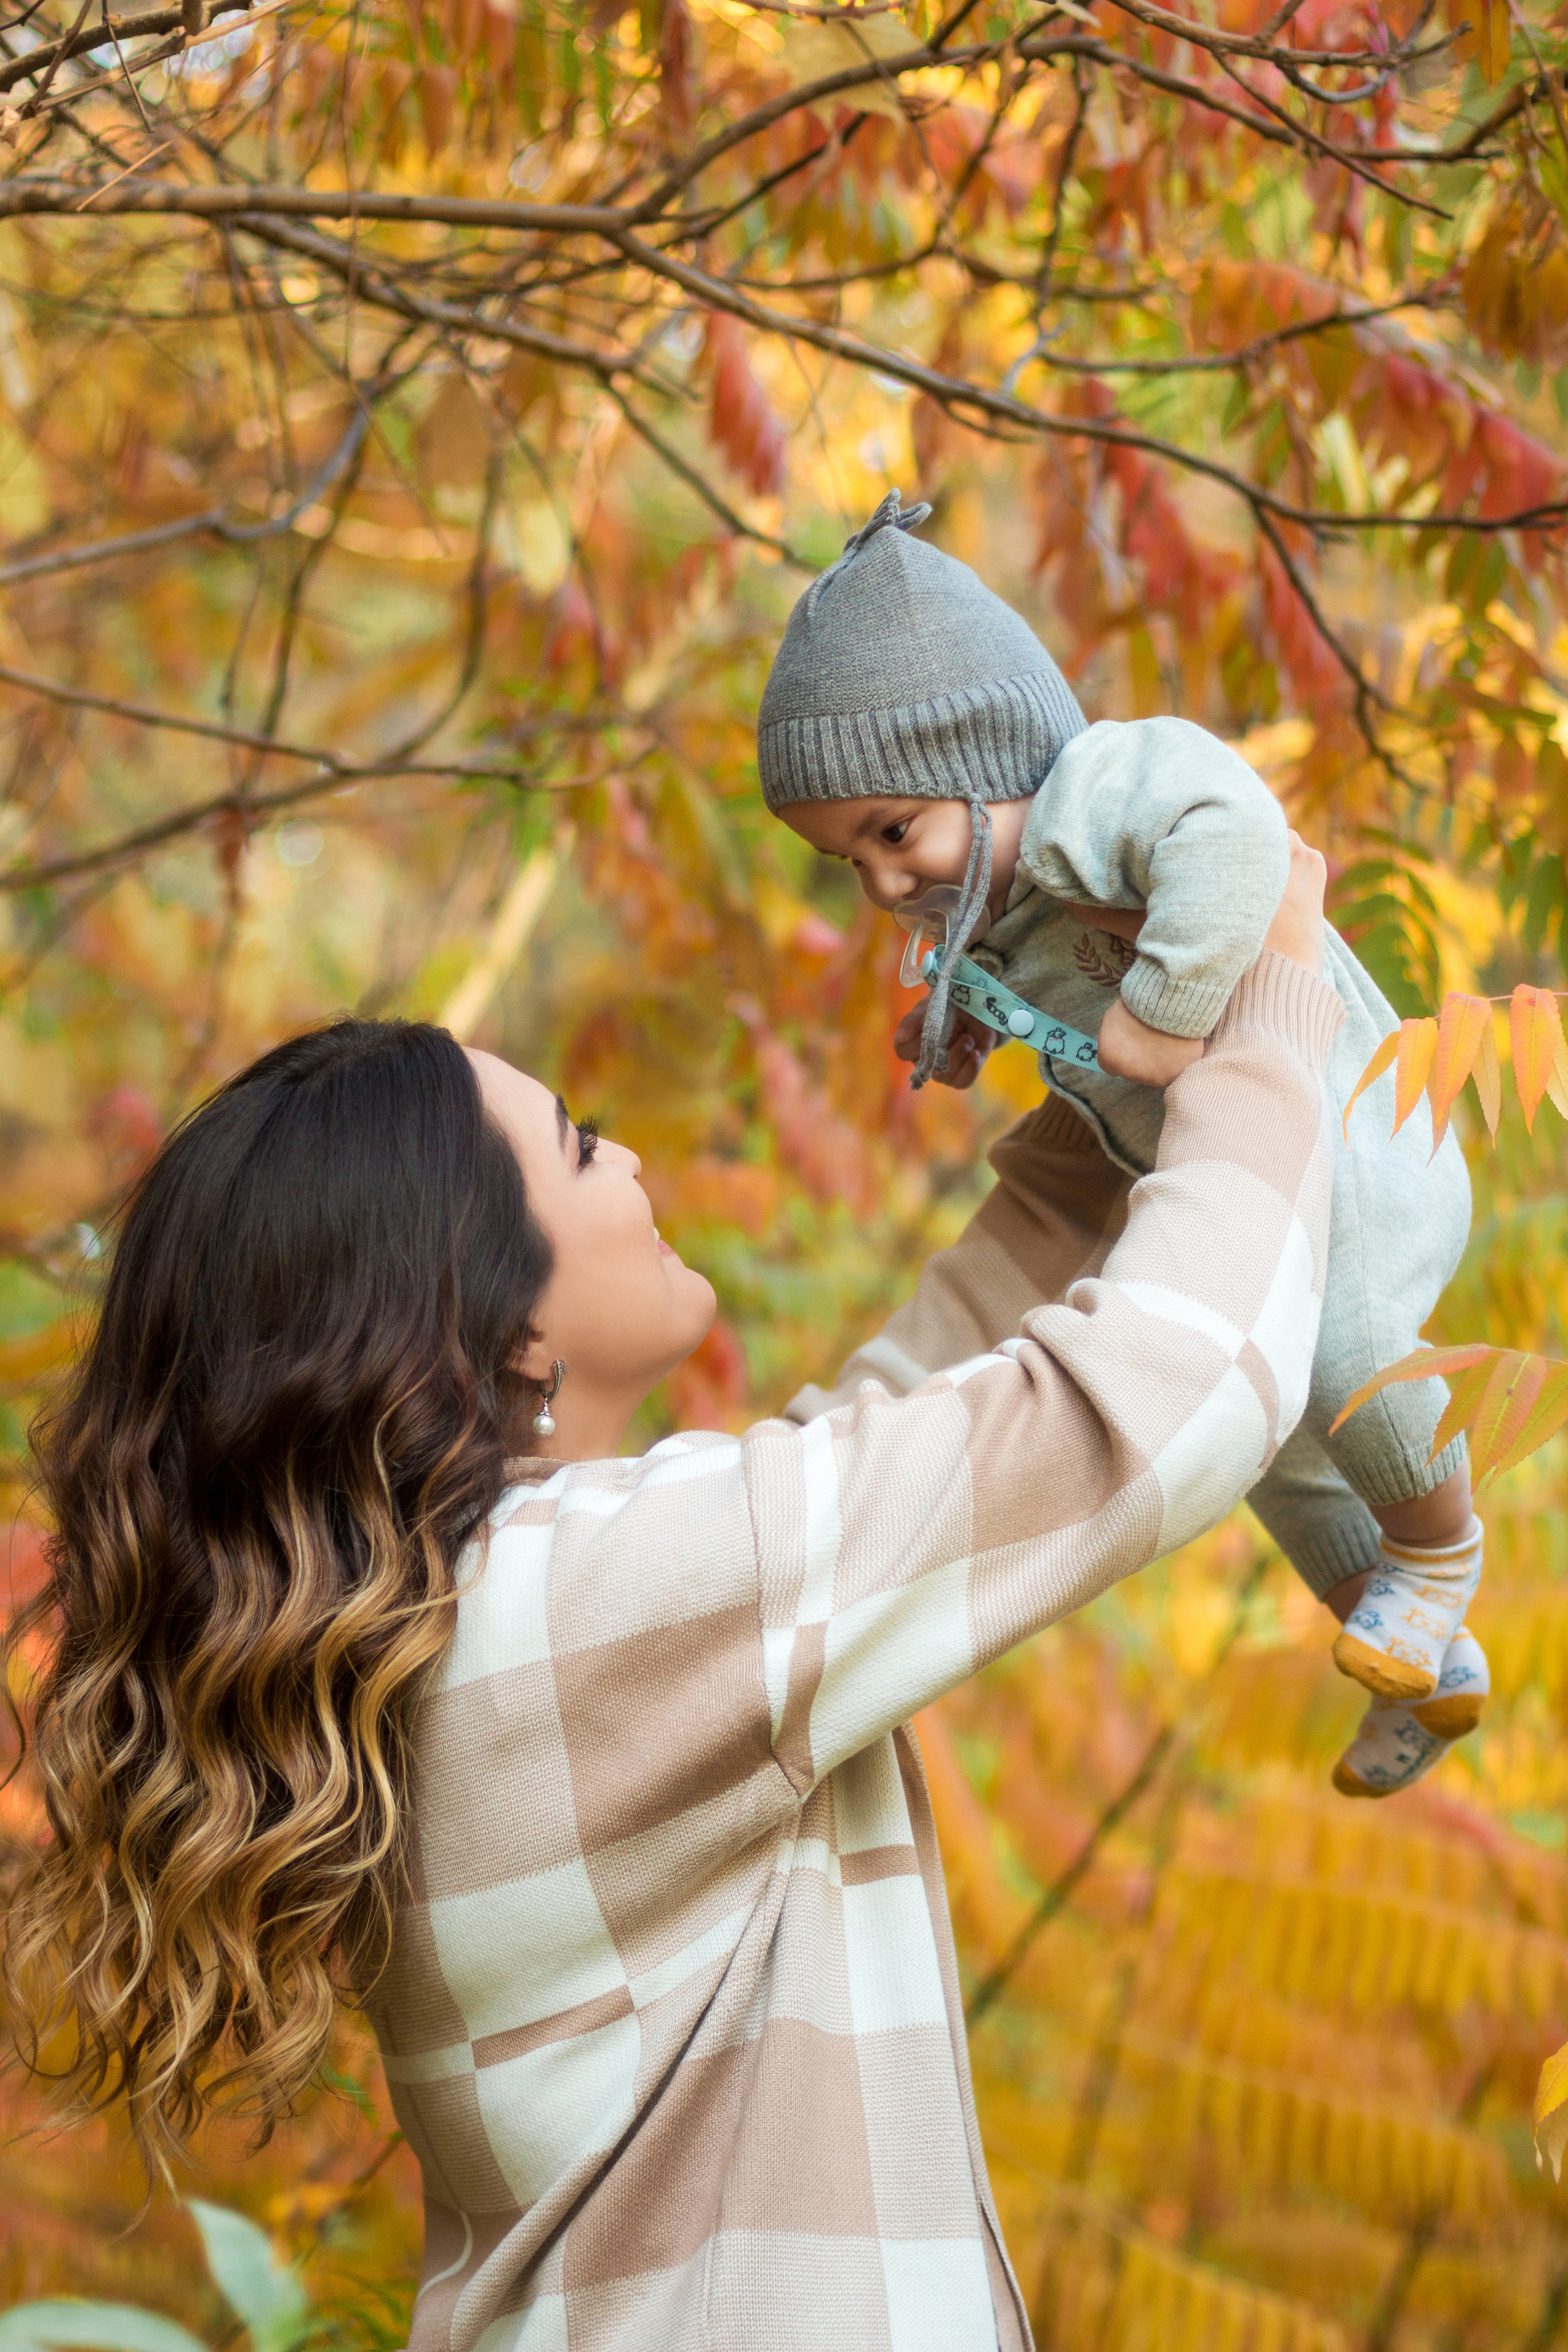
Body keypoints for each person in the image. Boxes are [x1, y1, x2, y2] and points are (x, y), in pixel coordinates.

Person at [10, 843, 1332, 2352]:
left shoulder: (476, 1619)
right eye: (580, 1150)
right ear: (504, 1325)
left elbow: (907, 1426)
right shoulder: (574, 1610)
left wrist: (1103, 1085)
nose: (630, 1160)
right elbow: (1168, 1396)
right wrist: (1267, 992)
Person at [758, 489, 1485, 1801]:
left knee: (1347, 1362)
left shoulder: (1099, 788)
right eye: (846, 860)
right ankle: (1413, 1654)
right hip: (1249, 1184)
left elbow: (1240, 834)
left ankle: (1439, 1555)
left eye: (892, 831)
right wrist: (954, 1020)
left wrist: (1162, 1011)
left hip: (1356, 1142)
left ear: (992, 757)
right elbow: (1022, 981)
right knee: (1259, 1428)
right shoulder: (985, 896)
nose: (881, 882)